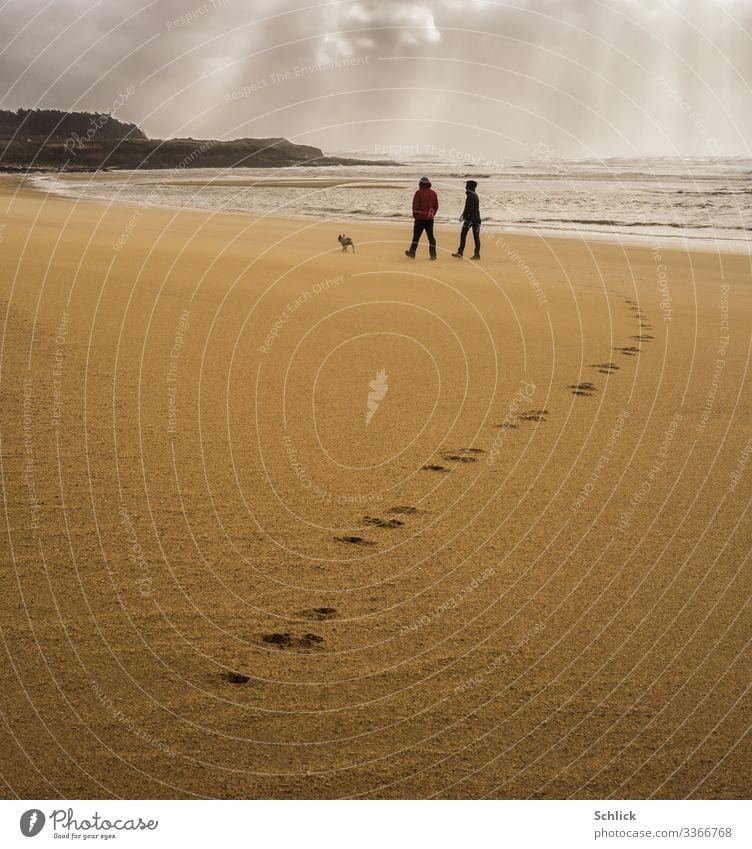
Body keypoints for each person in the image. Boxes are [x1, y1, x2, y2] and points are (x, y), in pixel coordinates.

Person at [405, 176, 438, 260]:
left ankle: (412, 253)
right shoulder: (433, 193)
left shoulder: (418, 192)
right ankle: (433, 255)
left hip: (419, 218)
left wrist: (415, 216)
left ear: (420, 183)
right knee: (431, 237)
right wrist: (432, 214)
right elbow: (436, 206)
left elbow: (415, 206)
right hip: (429, 219)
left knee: (416, 237)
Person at [452, 179, 481, 260]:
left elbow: (469, 208)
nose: (465, 187)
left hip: (470, 219)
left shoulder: (470, 195)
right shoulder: (475, 195)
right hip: (477, 219)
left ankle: (460, 252)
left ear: (470, 187)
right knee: (476, 237)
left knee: (463, 235)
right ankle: (477, 254)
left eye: (467, 186)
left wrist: (464, 216)